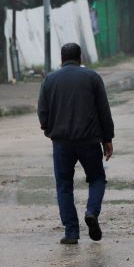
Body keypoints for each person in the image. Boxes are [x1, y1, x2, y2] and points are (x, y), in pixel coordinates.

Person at [38, 43, 115, 245]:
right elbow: (104, 111)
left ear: (61, 59)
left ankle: (71, 232)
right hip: (89, 141)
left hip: (61, 143)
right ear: (80, 58)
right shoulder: (92, 78)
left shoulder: (49, 80)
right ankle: (91, 212)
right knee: (97, 178)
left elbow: (42, 112)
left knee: (64, 186)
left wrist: (49, 130)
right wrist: (107, 139)